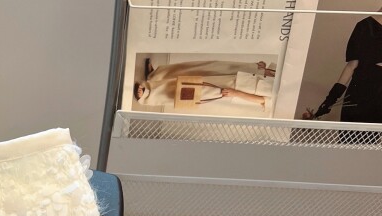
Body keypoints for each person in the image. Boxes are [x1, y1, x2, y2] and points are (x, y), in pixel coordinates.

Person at [304, 12, 382, 123]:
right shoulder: (364, 26)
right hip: (361, 93)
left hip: (377, 95)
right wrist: (330, 100)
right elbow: (351, 66)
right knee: (354, 131)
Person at [133, 60, 276, 110]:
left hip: (239, 88)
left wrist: (236, 93)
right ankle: (158, 75)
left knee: (193, 89)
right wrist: (262, 69)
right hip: (250, 73)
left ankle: (149, 94)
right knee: (202, 67)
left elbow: (264, 101)